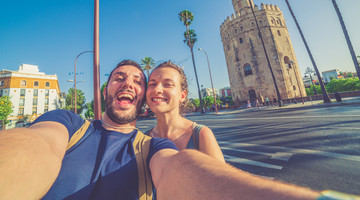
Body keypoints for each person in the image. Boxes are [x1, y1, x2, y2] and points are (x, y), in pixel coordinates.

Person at [0, 59, 355, 200]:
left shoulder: (152, 147)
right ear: (105, 90)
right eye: (118, 78)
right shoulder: (68, 124)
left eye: (139, 81)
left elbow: (187, 170)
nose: (134, 85)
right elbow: (34, 144)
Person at [145, 61, 224, 162]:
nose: (157, 89)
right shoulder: (145, 139)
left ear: (182, 95)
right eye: (152, 84)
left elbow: (221, 176)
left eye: (168, 84)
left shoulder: (200, 135)